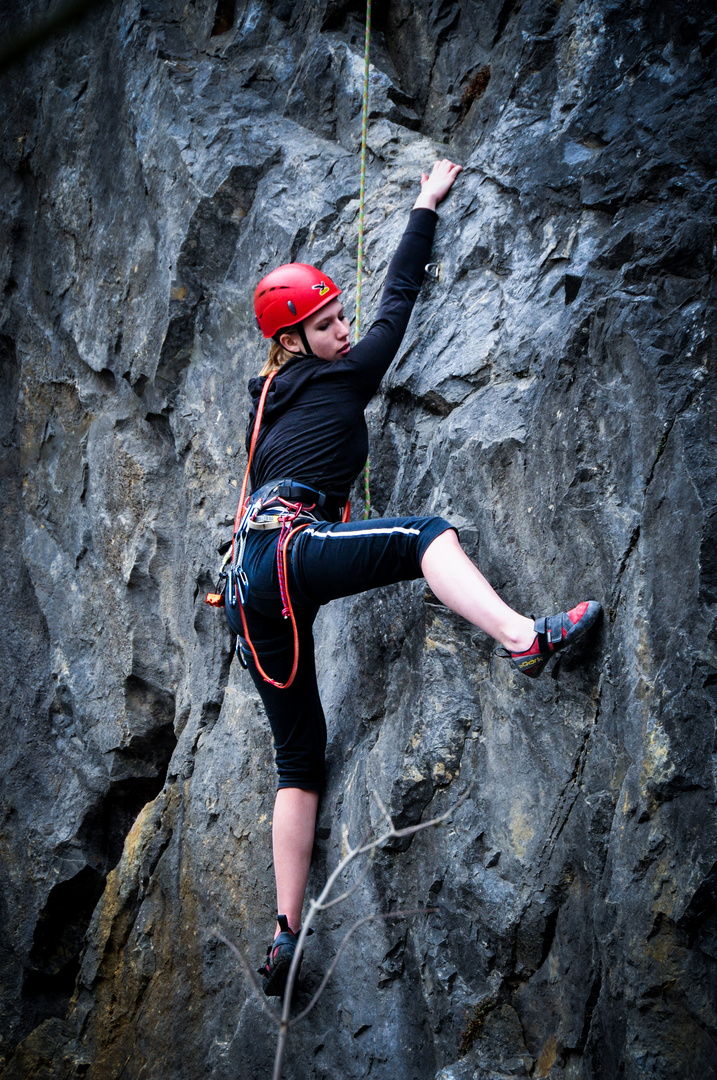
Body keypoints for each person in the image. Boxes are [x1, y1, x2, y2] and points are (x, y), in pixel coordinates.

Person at [223, 160, 600, 997]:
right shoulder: (341, 374)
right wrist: (425, 204)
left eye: (339, 318)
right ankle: (522, 638)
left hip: (249, 583)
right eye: (325, 325)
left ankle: (285, 935)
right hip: (288, 553)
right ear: (292, 341)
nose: (345, 331)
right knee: (424, 534)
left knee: (300, 762)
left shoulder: (268, 397)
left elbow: (357, 337)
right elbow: (399, 302)